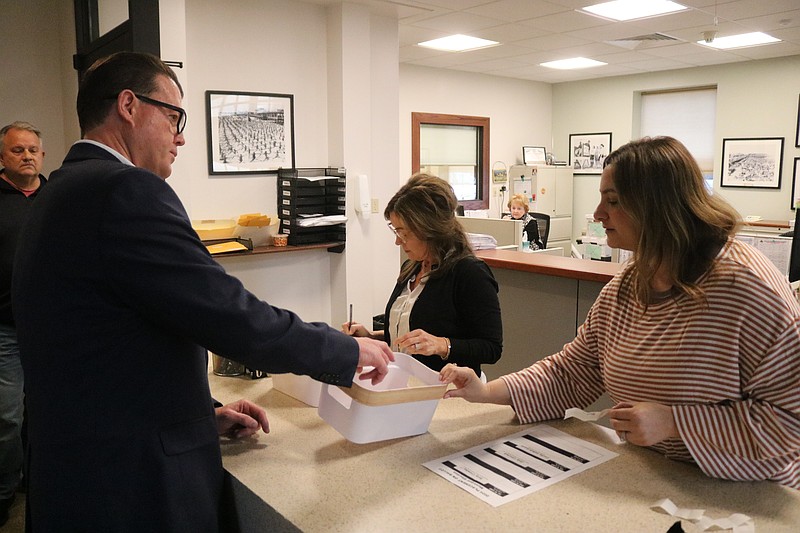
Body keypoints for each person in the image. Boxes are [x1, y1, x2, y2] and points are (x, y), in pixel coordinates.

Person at [11, 52, 394, 532]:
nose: (182, 135)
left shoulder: (57, 192)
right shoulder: (125, 191)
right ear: (128, 106)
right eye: (173, 116)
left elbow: (98, 345)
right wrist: (345, 349)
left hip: (75, 467)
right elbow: (228, 314)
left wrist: (202, 414)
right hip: (130, 484)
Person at [441, 136, 800, 488]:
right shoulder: (631, 281)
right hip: (661, 478)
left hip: (750, 492)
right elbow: (573, 372)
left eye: (612, 201)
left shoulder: (747, 290)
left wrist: (677, 422)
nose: (598, 214)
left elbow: (791, 423)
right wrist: (486, 392)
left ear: (657, 206)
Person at [343, 173, 502, 377]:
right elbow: (408, 339)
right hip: (406, 383)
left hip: (448, 389)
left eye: (404, 233)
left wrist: (442, 345)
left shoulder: (469, 273)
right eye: (396, 232)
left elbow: (491, 348)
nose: (398, 242)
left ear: (429, 229)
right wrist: (371, 337)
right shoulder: (411, 267)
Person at [0, 121, 47, 525]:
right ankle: (2, 495)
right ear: (2, 157)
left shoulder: (56, 197)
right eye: (18, 150)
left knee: (45, 410)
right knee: (7, 416)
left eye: (33, 149)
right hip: (6, 331)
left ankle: (36, 482)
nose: (27, 156)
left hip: (52, 330)